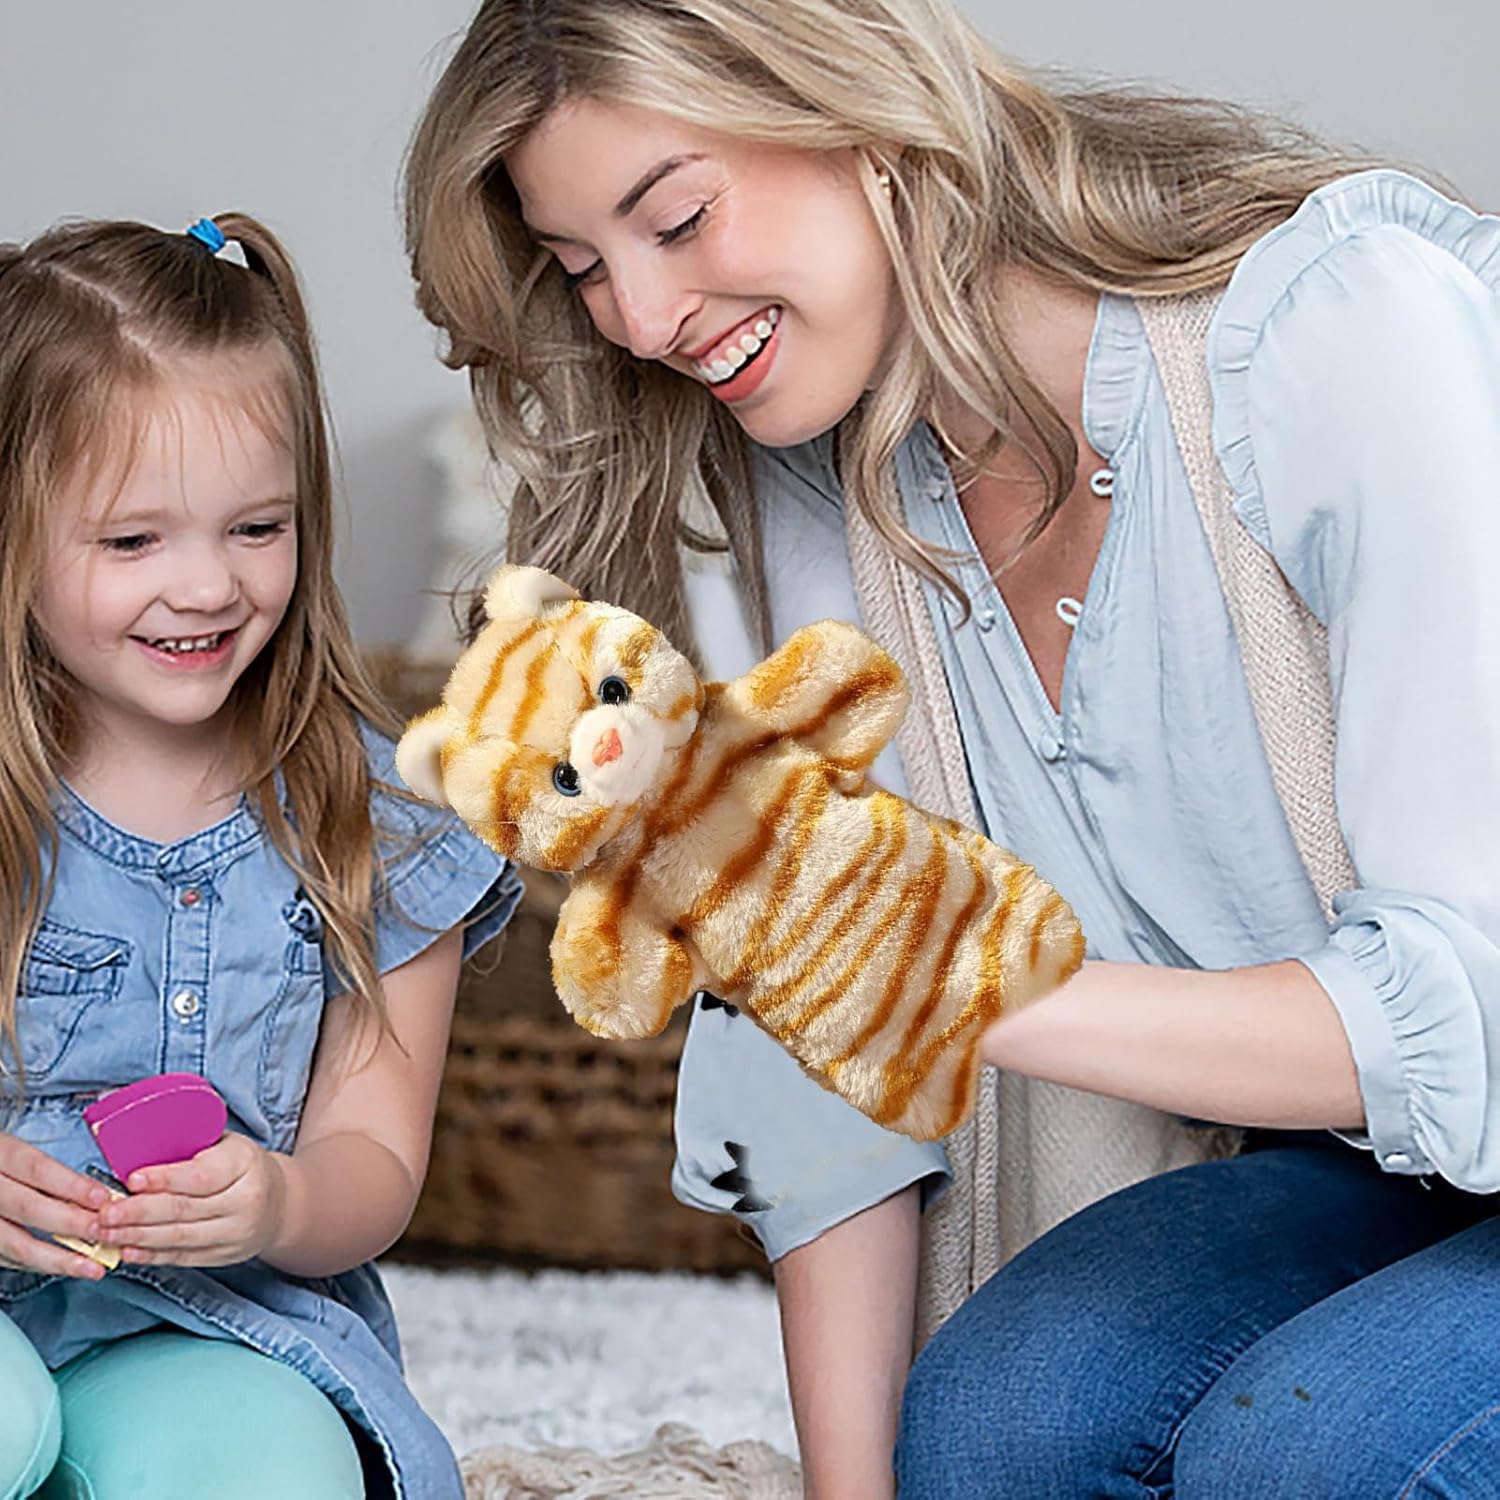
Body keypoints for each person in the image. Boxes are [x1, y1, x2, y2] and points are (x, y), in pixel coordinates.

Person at [403, 1, 1500, 1494]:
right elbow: (814, 1019)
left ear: (863, 111)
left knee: (1308, 1456)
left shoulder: (1342, 330)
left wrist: (939, 966)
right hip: (1369, 1164)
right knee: (991, 1431)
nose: (643, 320)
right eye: (585, 267)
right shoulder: (822, 455)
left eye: (677, 219)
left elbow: (1473, 1007)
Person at [0, 213, 523, 1500]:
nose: (207, 588)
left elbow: (374, 1162)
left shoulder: (380, 823)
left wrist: (282, 1203)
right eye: (133, 541)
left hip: (204, 1329)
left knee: (287, 1472)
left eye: (256, 527)